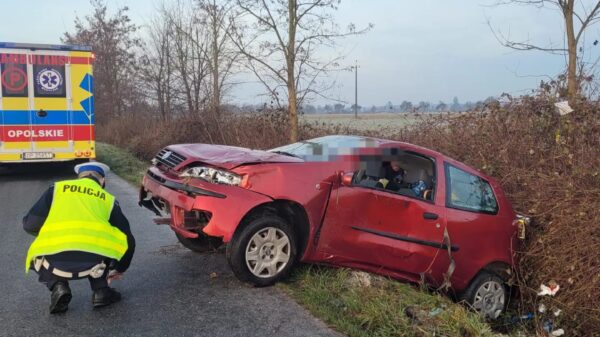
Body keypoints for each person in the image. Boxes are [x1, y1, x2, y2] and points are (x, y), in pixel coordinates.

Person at [23, 162, 135, 314]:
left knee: (39, 247)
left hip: (54, 262)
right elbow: (128, 240)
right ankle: (101, 291)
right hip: (94, 263)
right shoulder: (108, 200)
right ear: (102, 181)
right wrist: (119, 268)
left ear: (79, 177)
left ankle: (58, 286)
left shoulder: (56, 189)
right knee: (109, 239)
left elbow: (30, 225)